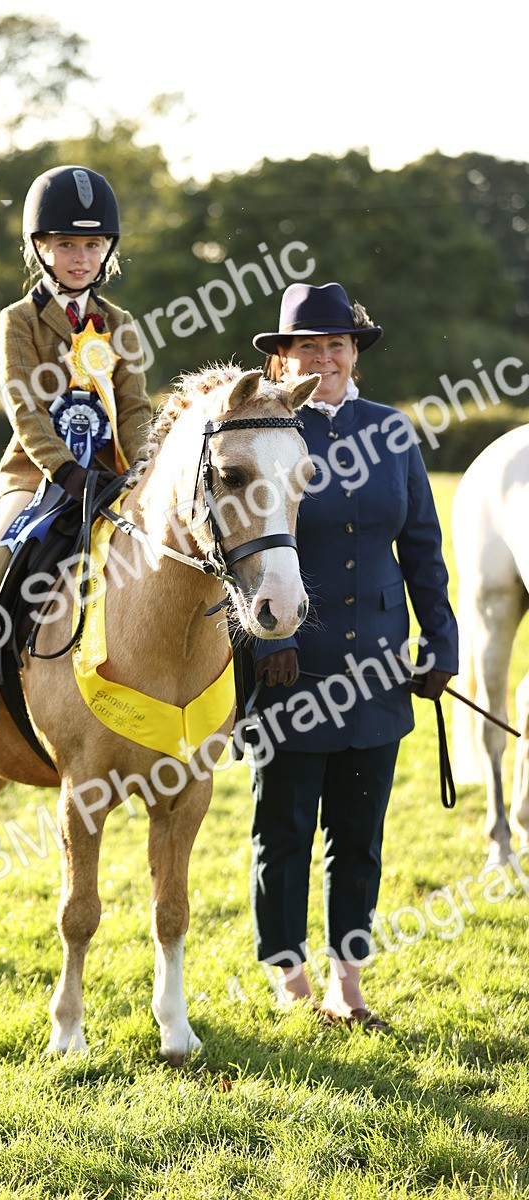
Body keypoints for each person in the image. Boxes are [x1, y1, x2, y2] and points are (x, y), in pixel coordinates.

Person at [244, 281, 458, 1031]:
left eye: (337, 345)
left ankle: (349, 982)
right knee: (285, 830)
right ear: (282, 360)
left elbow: (423, 552)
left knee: (359, 839)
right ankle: (287, 974)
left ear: (353, 353)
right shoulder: (266, 432)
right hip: (289, 670)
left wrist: (440, 643)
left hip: (376, 671)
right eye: (308, 346)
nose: (325, 358)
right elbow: (235, 556)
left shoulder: (392, 434)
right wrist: (261, 647)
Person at [0, 165, 152, 727]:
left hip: (113, 473)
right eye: (65, 245)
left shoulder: (120, 323)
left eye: (92, 244)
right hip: (38, 477)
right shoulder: (19, 322)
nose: (80, 257)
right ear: (40, 247)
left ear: (107, 250)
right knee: (3, 547)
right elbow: (23, 406)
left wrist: (144, 466)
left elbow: (133, 407)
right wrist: (62, 468)